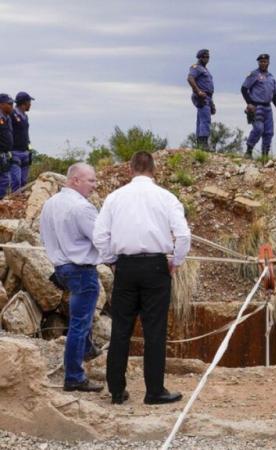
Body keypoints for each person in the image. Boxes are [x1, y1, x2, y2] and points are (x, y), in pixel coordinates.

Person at [93, 152, 191, 405]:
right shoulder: (166, 197)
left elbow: (100, 236)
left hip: (125, 267)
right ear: (154, 169)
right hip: (156, 268)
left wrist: (112, 261)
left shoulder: (114, 198)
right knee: (154, 331)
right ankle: (154, 391)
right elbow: (183, 235)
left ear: (130, 169)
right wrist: (175, 262)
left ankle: (116, 391)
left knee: (121, 330)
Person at [39, 163, 103, 393]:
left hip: (61, 268)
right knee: (80, 322)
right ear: (75, 180)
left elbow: (43, 235)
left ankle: (86, 349)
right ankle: (74, 376)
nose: (95, 186)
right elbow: (101, 239)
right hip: (81, 269)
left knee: (80, 316)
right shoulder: (82, 207)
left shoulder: (50, 203)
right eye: (91, 181)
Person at [241, 54, 276, 159]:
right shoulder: (254, 74)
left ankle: (264, 156)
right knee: (258, 129)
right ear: (258, 63)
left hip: (268, 107)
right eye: (261, 62)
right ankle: (249, 151)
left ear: (268, 62)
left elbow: (274, 96)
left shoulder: (271, 77)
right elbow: (243, 89)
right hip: (256, 106)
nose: (263, 63)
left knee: (269, 132)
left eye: (265, 61)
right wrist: (249, 103)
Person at [187, 49, 215, 151]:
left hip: (207, 96)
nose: (206, 59)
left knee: (201, 119)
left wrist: (212, 103)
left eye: (208, 57)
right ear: (199, 57)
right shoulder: (196, 68)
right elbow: (190, 78)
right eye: (204, 57)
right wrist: (198, 91)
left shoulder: (205, 69)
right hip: (201, 96)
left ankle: (200, 144)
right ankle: (203, 144)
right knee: (205, 120)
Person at [10, 91, 35, 191]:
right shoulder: (12, 114)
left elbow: (26, 134)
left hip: (25, 152)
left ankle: (19, 203)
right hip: (14, 152)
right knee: (16, 180)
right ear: (24, 102)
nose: (31, 105)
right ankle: (13, 201)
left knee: (24, 181)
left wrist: (30, 150)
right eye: (29, 102)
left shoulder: (25, 116)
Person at [0, 94, 13, 199]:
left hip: (4, 154)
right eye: (9, 103)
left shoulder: (7, 118)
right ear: (1, 104)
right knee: (4, 179)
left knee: (5, 179)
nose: (12, 105)